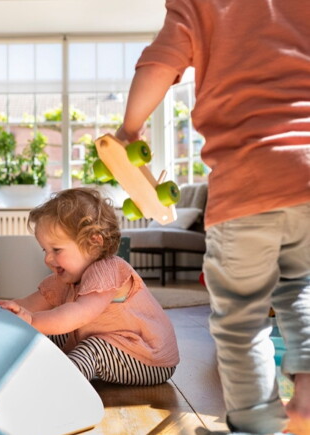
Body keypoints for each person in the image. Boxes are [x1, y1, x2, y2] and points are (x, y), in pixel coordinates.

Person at [114, 1, 310, 433]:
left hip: (246, 182)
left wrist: (130, 129)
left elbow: (158, 64)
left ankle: (256, 423)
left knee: (242, 312)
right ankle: (308, 398)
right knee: (301, 288)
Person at [0, 188, 179, 386]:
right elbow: (31, 303)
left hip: (148, 357)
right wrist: (2, 313)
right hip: (112, 343)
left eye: (56, 249)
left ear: (94, 242)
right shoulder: (64, 279)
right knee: (51, 331)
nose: (47, 259)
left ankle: (59, 386)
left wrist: (32, 321)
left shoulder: (108, 270)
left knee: (90, 346)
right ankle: (24, 365)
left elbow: (78, 313)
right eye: (45, 250)